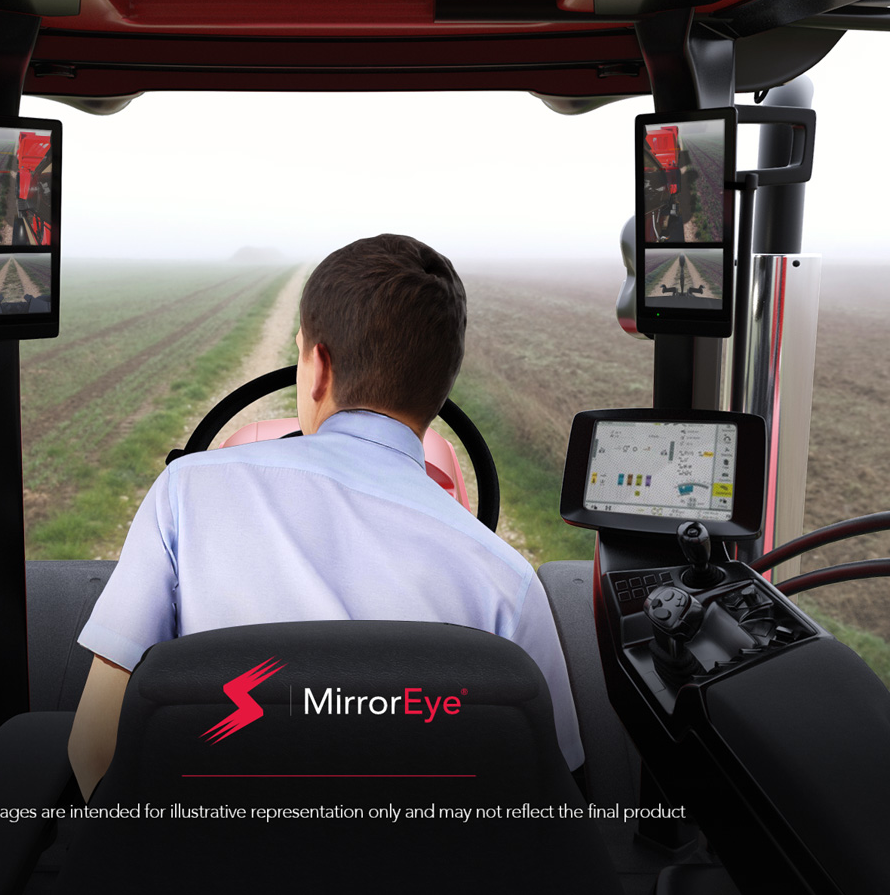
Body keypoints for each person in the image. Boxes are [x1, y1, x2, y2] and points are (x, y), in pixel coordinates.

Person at [66, 234, 584, 799]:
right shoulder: (510, 582)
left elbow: (93, 748)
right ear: (441, 386)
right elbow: (551, 796)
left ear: (317, 367)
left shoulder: (185, 491)